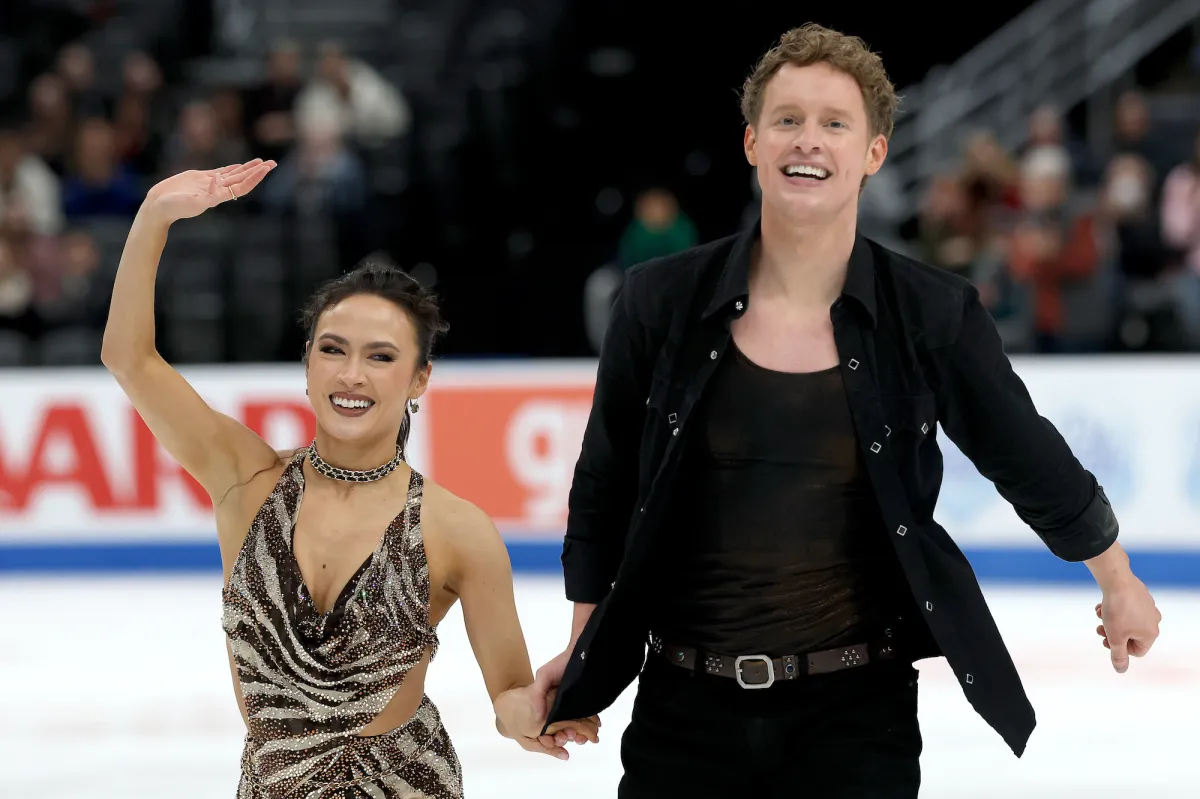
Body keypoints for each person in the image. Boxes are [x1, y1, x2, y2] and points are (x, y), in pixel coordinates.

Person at [531, 23, 1162, 797]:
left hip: (857, 720)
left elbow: (1025, 454)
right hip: (682, 716)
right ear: (752, 142)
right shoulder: (660, 301)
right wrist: (586, 650)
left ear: (874, 153)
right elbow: (605, 483)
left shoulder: (931, 312)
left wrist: (1117, 577)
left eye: (835, 123)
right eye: (787, 119)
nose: (809, 139)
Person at [100, 159, 598, 798]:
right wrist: (154, 215)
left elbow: (507, 697)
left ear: (419, 380)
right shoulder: (245, 480)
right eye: (332, 348)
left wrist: (530, 714)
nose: (351, 375)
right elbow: (128, 359)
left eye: (381, 357)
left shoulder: (456, 529)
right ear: (306, 362)